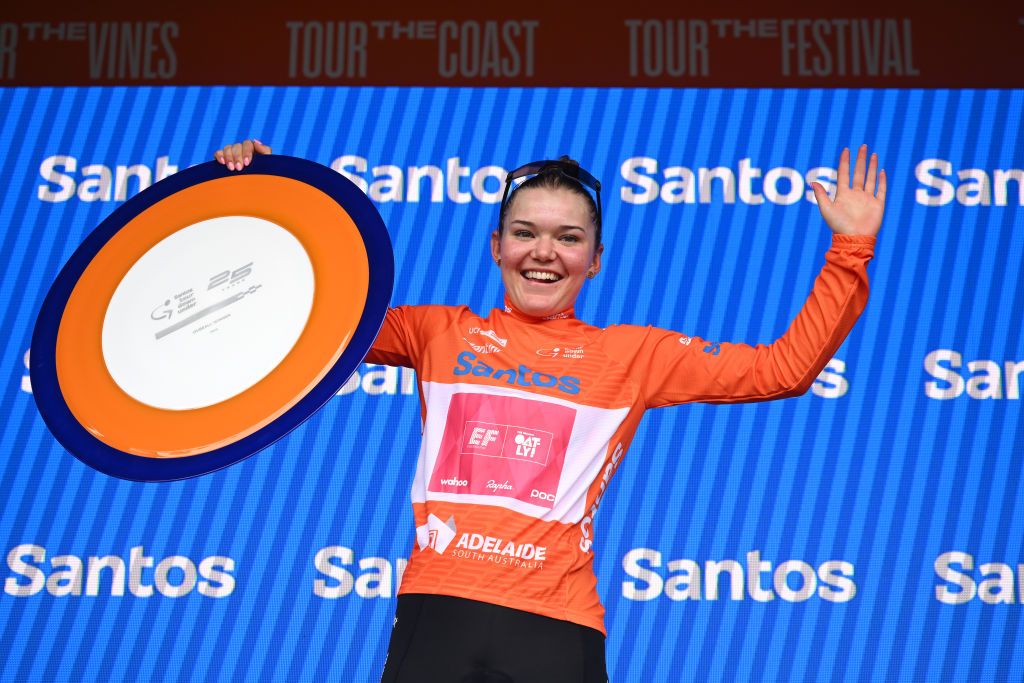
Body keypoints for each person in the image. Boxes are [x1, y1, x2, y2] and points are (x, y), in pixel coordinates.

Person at [216, 141, 886, 682]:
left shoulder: (634, 354)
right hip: (438, 607)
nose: (544, 251)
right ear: (495, 245)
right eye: (524, 232)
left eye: (568, 238)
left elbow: (784, 369)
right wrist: (264, 191)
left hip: (557, 623)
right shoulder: (435, 332)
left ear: (594, 261)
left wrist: (849, 249)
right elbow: (304, 314)